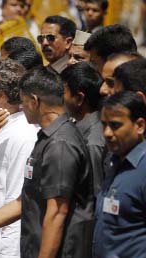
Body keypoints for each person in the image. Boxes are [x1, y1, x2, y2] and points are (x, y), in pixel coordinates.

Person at [0, 66, 94, 258]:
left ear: (34, 101)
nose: (20, 105)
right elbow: (21, 201)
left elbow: (56, 213)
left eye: (23, 100)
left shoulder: (48, 141)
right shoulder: (38, 136)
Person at [93, 91, 146, 258]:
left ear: (140, 126)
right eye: (104, 125)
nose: (107, 133)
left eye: (115, 125)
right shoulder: (113, 162)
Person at [61, 62, 105, 194]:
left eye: (62, 92)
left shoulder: (91, 142)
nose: (59, 98)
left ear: (79, 98)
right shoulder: (77, 130)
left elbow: (96, 193)